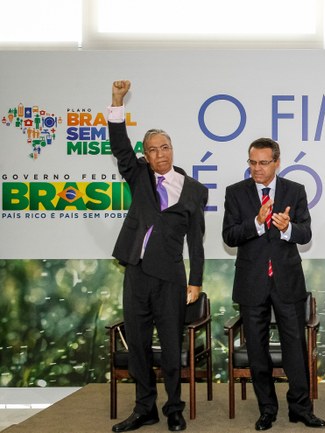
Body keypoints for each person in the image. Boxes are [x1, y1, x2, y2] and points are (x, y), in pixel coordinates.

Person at [108, 80, 208, 433]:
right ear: (146, 155)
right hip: (136, 273)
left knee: (169, 348)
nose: (160, 154)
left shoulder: (195, 190)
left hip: (171, 279)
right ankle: (144, 408)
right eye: (152, 150)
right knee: (137, 345)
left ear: (172, 150)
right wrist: (117, 103)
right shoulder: (138, 177)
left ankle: (174, 409)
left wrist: (195, 280)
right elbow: (120, 147)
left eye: (165, 147)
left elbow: (197, 241)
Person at [222, 138, 325, 431]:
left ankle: (301, 408)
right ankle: (266, 409)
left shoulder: (295, 190)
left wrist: (287, 228)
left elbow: (304, 234)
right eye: (252, 163)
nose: (257, 169)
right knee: (257, 349)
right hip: (251, 282)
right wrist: (256, 223)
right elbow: (229, 236)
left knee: (295, 346)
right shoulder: (236, 193)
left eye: (263, 163)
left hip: (287, 281)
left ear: (277, 162)